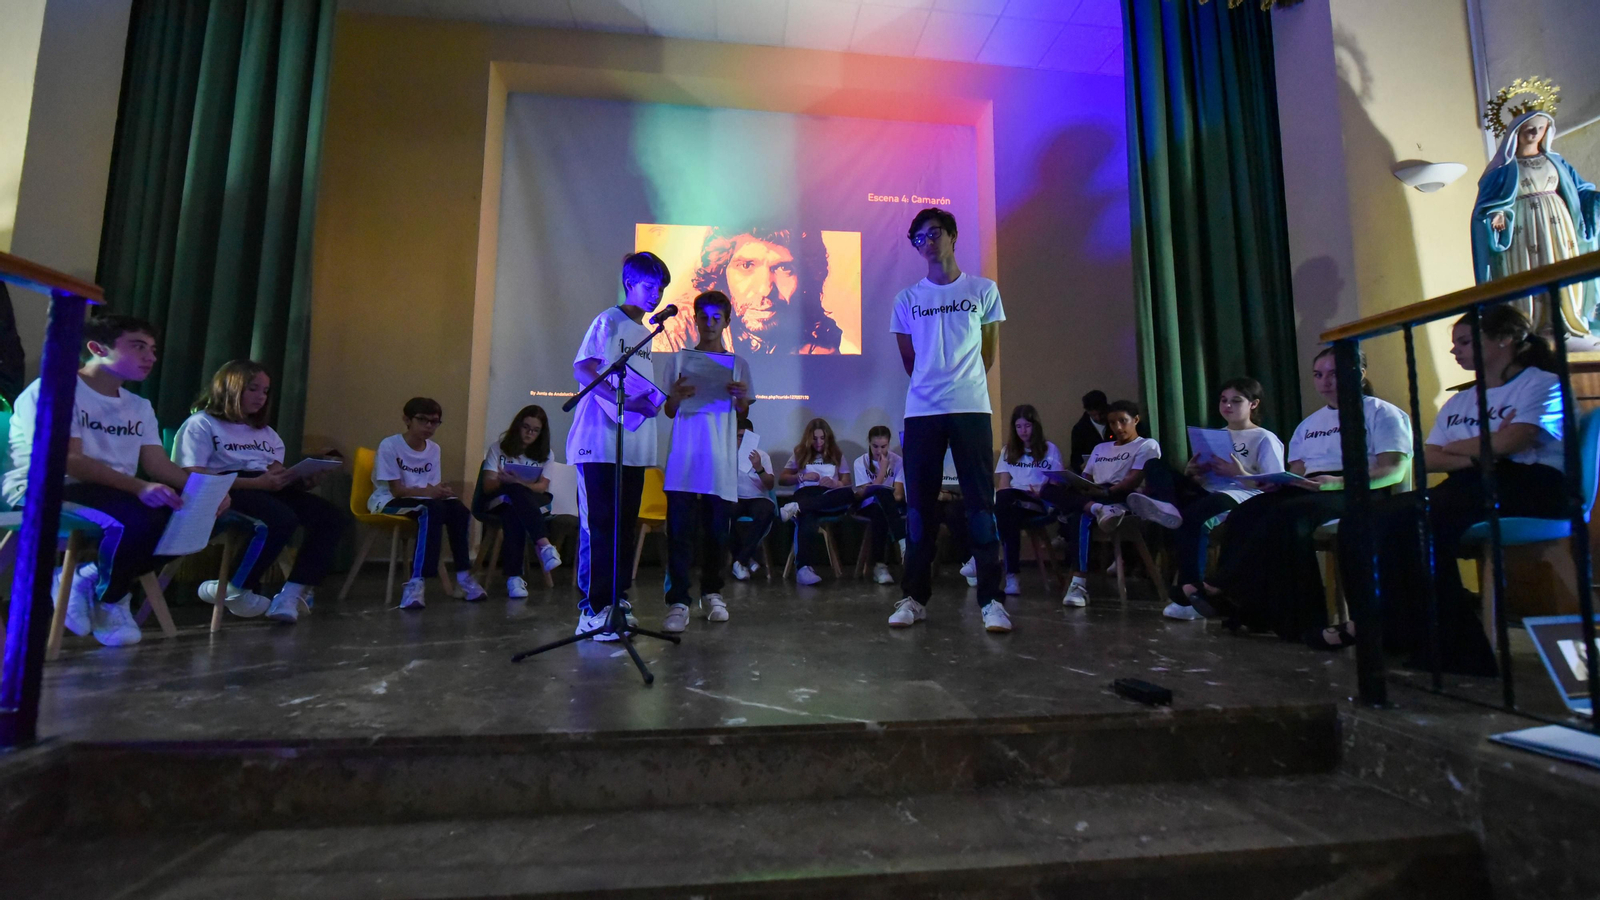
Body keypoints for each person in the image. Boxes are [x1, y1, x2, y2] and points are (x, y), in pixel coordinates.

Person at [1353, 305, 1563, 673]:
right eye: (1455, 344)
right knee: (1374, 519)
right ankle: (1399, 634)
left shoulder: (1541, 383)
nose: (1455, 351)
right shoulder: (1460, 399)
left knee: (1423, 525)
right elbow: (1429, 458)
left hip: (1531, 483)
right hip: (1474, 479)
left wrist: (1484, 447)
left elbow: (1515, 440)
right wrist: (1485, 451)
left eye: (1465, 342)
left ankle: (1461, 650)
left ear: (1505, 339)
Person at [3, 315, 229, 646]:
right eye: (138, 347)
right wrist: (140, 487)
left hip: (111, 489)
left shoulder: (139, 406)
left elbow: (157, 465)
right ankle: (112, 601)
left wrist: (205, 493)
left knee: (205, 518)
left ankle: (89, 576)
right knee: (135, 518)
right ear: (97, 348)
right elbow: (71, 461)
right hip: (45, 487)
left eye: (153, 349)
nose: (150, 357)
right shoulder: (57, 388)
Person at [1194, 347, 1412, 643]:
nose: (1325, 382)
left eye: (1334, 374)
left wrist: (1335, 482)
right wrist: (1275, 483)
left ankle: (1249, 598)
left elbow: (1393, 471)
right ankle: (1250, 607)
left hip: (1359, 488)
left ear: (1358, 375)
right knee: (1249, 511)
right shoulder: (1308, 424)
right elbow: (1296, 472)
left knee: (1289, 516)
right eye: (1318, 375)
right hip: (1309, 487)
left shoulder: (1381, 413)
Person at [889, 207, 1009, 633]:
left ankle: (992, 601)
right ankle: (914, 597)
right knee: (919, 509)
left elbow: (988, 353)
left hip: (971, 408)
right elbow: (910, 361)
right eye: (919, 237)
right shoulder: (907, 299)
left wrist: (961, 384)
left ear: (953, 235)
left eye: (934, 233)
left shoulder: (983, 290)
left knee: (980, 506)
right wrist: (932, 385)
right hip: (922, 411)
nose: (928, 242)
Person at [173, 359, 348, 624]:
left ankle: (291, 594)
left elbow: (276, 474)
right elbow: (192, 474)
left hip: (265, 487)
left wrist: (301, 479)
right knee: (279, 518)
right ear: (231, 387)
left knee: (331, 517)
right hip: (227, 489)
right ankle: (236, 587)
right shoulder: (201, 424)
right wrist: (256, 484)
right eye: (253, 389)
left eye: (265, 391)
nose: (261, 397)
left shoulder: (266, 433)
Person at [1122, 377, 1286, 621]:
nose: (1227, 406)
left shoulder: (1264, 438)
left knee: (1193, 517)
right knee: (1154, 464)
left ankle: (1190, 597)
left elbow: (1275, 483)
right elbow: (1202, 475)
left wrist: (1238, 473)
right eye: (1223, 400)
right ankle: (1167, 506)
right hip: (1206, 489)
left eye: (1235, 401)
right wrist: (1192, 472)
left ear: (1253, 404)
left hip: (1240, 494)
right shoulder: (1214, 435)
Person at [567, 250, 669, 639]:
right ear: (629, 283)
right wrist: (622, 398)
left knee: (625, 526)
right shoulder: (608, 320)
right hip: (598, 443)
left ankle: (616, 599)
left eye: (660, 289)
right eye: (648, 286)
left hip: (632, 446)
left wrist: (648, 402)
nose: (655, 295)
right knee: (600, 526)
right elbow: (583, 366)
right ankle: (592, 609)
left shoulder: (646, 332)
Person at [660, 290, 753, 631]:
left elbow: (743, 411)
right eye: (704, 317)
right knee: (680, 533)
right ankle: (678, 601)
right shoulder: (679, 360)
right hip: (684, 457)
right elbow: (669, 410)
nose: (710, 324)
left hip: (719, 458)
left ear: (727, 322)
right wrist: (675, 396)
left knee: (717, 532)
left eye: (717, 318)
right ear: (695, 319)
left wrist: (740, 398)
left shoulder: (738, 364)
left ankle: (713, 593)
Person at [1472, 101, 1599, 347]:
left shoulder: (1556, 162)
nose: (1535, 133)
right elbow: (1489, 202)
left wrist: (1594, 201)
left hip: (1558, 224)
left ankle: (1564, 319)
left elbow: (1581, 189)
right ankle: (1532, 323)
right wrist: (1497, 214)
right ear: (1516, 132)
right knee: (1528, 268)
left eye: (1540, 128)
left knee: (1560, 263)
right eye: (1529, 128)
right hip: (1522, 225)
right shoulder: (1503, 169)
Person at [1037, 400, 1161, 607]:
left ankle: (1079, 583)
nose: (1118, 427)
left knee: (1079, 514)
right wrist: (1074, 482)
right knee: (1049, 489)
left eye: (1123, 421)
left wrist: (1104, 491)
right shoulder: (1100, 448)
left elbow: (1133, 479)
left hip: (1121, 495)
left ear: (1136, 420)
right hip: (1094, 495)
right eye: (1113, 423)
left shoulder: (1146, 445)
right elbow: (1085, 476)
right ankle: (1097, 509)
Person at [369, 397, 486, 609]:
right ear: (407, 419)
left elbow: (431, 486)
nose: (429, 426)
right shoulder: (390, 445)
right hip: (388, 501)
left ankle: (463, 577)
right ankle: (416, 582)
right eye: (423, 420)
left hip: (423, 499)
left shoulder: (434, 449)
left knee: (459, 510)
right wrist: (431, 493)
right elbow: (397, 490)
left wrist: (440, 491)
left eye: (434, 422)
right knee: (429, 510)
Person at [661, 227, 842, 355]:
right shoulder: (678, 328)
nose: (765, 289)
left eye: (784, 269)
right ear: (722, 272)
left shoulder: (821, 339)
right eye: (747, 265)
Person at [477, 404, 560, 599]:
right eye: (526, 427)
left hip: (524, 502)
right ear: (518, 426)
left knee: (514, 509)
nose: (529, 433)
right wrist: (504, 480)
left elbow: (542, 487)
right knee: (514, 492)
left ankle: (514, 579)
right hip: (497, 499)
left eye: (535, 430)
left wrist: (519, 482)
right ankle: (545, 545)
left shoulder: (546, 453)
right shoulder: (498, 448)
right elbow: (488, 486)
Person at [992, 404, 1064, 597]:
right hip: (1012, 502)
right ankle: (1012, 576)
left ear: (1035, 426)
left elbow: (1055, 485)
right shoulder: (1009, 451)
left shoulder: (1050, 449)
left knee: (1005, 507)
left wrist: (1041, 491)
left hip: (1037, 501)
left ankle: (988, 560)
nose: (1023, 431)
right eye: (1019, 427)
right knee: (1008, 510)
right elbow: (1004, 484)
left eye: (1027, 426)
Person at [778, 417, 854, 585]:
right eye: (815, 438)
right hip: (807, 493)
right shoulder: (800, 452)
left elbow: (847, 482)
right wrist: (802, 476)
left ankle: (797, 507)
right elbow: (782, 479)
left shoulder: (836, 454)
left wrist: (835, 483)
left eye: (822, 438)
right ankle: (804, 568)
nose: (819, 442)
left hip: (829, 497)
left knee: (848, 494)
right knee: (808, 515)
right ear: (808, 438)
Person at [851, 425, 907, 586]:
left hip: (891, 506)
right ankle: (902, 541)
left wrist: (883, 490)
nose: (879, 451)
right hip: (867, 505)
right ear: (869, 443)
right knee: (879, 498)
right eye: (875, 446)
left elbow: (898, 495)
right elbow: (868, 493)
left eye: (883, 446)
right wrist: (882, 471)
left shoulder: (898, 461)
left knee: (882, 504)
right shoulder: (860, 462)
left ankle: (880, 566)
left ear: (889, 444)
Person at [729, 417, 776, 581]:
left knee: (767, 511)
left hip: (757, 497)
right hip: (735, 497)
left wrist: (759, 468)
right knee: (721, 514)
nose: (743, 440)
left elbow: (770, 485)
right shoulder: (727, 454)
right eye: (739, 436)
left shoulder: (762, 455)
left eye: (747, 437)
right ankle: (745, 559)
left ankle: (740, 561)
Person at [1069, 390, 1109, 472]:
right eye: (1093, 415)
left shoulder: (1117, 422)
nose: (1098, 418)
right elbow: (1075, 459)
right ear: (1087, 412)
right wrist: (1081, 467)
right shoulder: (1080, 430)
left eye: (1101, 414)